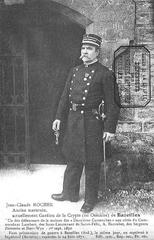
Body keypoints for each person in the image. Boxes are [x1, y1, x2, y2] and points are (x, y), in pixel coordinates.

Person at [52, 33, 120, 213]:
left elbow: (113, 104)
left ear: (97, 52)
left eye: (89, 49)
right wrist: (59, 117)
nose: (85, 52)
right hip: (74, 120)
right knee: (73, 158)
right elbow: (64, 98)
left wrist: (110, 128)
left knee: (91, 162)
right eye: (83, 48)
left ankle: (90, 200)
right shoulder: (74, 71)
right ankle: (69, 193)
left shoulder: (105, 74)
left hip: (92, 123)